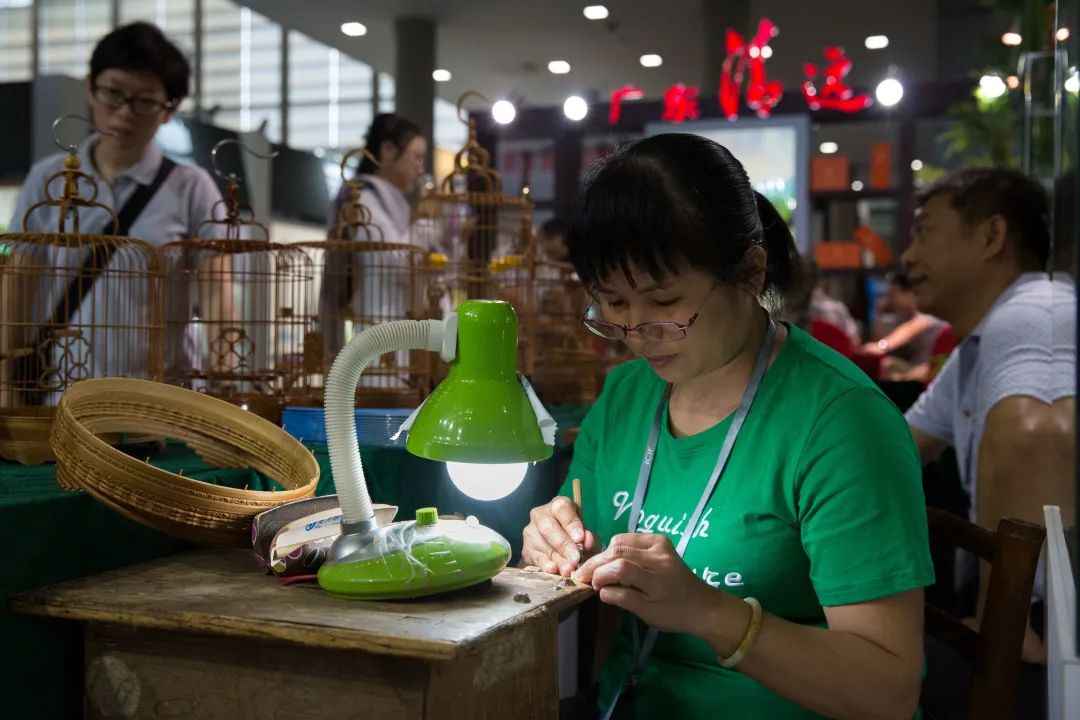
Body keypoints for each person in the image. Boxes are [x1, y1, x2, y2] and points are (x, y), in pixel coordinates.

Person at [521, 133, 933, 719]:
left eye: (664, 303)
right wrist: (550, 542)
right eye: (612, 304)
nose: (637, 334)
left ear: (749, 270)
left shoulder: (840, 422)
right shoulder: (626, 396)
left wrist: (709, 612)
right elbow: (575, 539)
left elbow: (887, 690)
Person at [902, 167, 1075, 661]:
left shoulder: (1032, 313)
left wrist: (1006, 627)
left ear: (992, 236)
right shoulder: (986, 337)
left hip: (1047, 633)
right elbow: (898, 448)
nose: (908, 256)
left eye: (924, 232)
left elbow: (1035, 427)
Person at [8, 21, 223, 387]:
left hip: (162, 398)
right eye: (113, 93)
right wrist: (5, 381)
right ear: (91, 89)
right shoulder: (48, 179)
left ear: (168, 109)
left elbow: (217, 293)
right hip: (61, 394)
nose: (124, 112)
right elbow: (18, 282)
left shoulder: (191, 187)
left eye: (144, 100)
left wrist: (225, 384)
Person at [320, 113, 428, 384]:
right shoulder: (363, 200)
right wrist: (427, 221)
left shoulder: (395, 202)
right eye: (416, 157)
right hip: (377, 328)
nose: (420, 167)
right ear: (388, 150)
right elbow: (399, 263)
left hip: (397, 331)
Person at [861, 273, 947, 382]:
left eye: (893, 294)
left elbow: (911, 328)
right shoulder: (901, 317)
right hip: (912, 367)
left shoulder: (926, 312)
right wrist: (879, 313)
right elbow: (879, 337)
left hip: (931, 367)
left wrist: (882, 346)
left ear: (908, 293)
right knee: (887, 365)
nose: (890, 299)